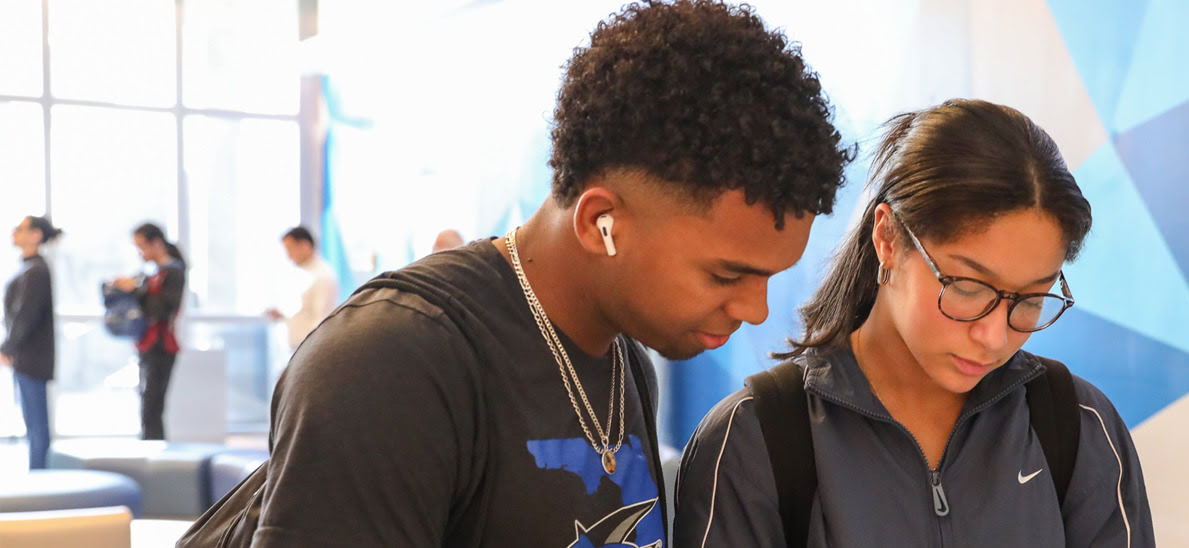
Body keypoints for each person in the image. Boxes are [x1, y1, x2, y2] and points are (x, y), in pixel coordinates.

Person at [180, 2, 852, 546]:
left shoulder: (624, 364)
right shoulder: (393, 362)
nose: (756, 310)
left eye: (768, 277)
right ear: (600, 223)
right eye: (725, 274)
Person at [674, 99, 1155, 547]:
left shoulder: (1080, 426)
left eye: (1030, 299)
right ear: (888, 238)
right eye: (967, 288)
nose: (993, 337)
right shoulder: (754, 439)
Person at [113, 222, 186, 441]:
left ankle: (155, 456)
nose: (140, 253)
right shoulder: (148, 274)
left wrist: (136, 290)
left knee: (153, 406)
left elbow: (163, 309)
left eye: (142, 246)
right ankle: (149, 449)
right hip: (145, 344)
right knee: (146, 403)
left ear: (156, 243)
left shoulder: (172, 272)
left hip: (162, 346)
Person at [4, 216, 61, 469]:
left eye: (20, 229)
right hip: (25, 357)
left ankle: (41, 478)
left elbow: (26, 314)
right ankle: (38, 474)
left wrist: (7, 346)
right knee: (32, 422)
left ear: (36, 235)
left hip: (32, 358)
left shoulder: (36, 270)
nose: (14, 232)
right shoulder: (29, 268)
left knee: (36, 424)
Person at [265, 226, 338, 350]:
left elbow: (322, 319)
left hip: (311, 351)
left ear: (304, 245)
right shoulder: (302, 273)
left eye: (290, 249)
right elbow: (304, 310)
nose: (289, 256)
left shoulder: (323, 275)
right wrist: (282, 314)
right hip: (298, 349)